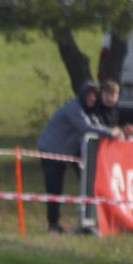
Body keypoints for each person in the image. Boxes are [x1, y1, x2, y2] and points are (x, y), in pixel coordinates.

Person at [36, 80, 123, 233]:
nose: (92, 99)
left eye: (94, 96)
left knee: (88, 180)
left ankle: (89, 221)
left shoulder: (88, 111)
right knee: (54, 189)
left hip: (70, 151)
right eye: (89, 96)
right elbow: (86, 127)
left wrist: (117, 132)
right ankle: (53, 225)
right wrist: (111, 132)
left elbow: (95, 124)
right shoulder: (74, 108)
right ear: (83, 95)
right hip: (51, 150)